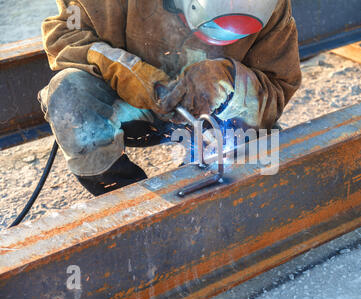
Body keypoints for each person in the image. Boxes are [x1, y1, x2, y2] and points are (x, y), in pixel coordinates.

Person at [38, 0, 302, 196]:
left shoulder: (273, 6)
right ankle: (125, 198)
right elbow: (65, 35)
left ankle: (228, 173)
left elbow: (278, 84)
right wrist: (125, 70)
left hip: (212, 115)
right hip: (129, 106)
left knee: (258, 174)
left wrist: (227, 77)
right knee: (69, 94)